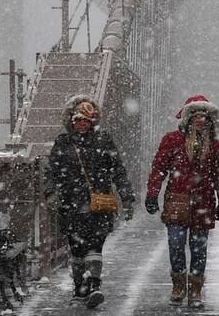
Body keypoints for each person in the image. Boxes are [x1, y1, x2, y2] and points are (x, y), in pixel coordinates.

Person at [45, 94, 135, 309]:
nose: (82, 125)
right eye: (78, 120)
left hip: (98, 205)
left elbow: (118, 171)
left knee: (95, 247)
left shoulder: (104, 140)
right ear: (71, 121)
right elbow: (51, 172)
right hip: (71, 206)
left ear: (93, 121)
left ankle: (93, 286)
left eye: (86, 121)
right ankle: (80, 290)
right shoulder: (63, 142)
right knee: (77, 250)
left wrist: (128, 197)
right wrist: (51, 193)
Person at [144, 94, 219, 309]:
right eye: (195, 116)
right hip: (177, 201)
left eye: (203, 116)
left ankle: (195, 288)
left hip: (204, 203)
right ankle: (178, 284)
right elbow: (159, 169)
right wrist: (152, 193)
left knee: (199, 248)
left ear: (209, 120)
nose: (199, 120)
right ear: (187, 118)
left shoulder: (214, 145)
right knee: (176, 244)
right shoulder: (172, 140)